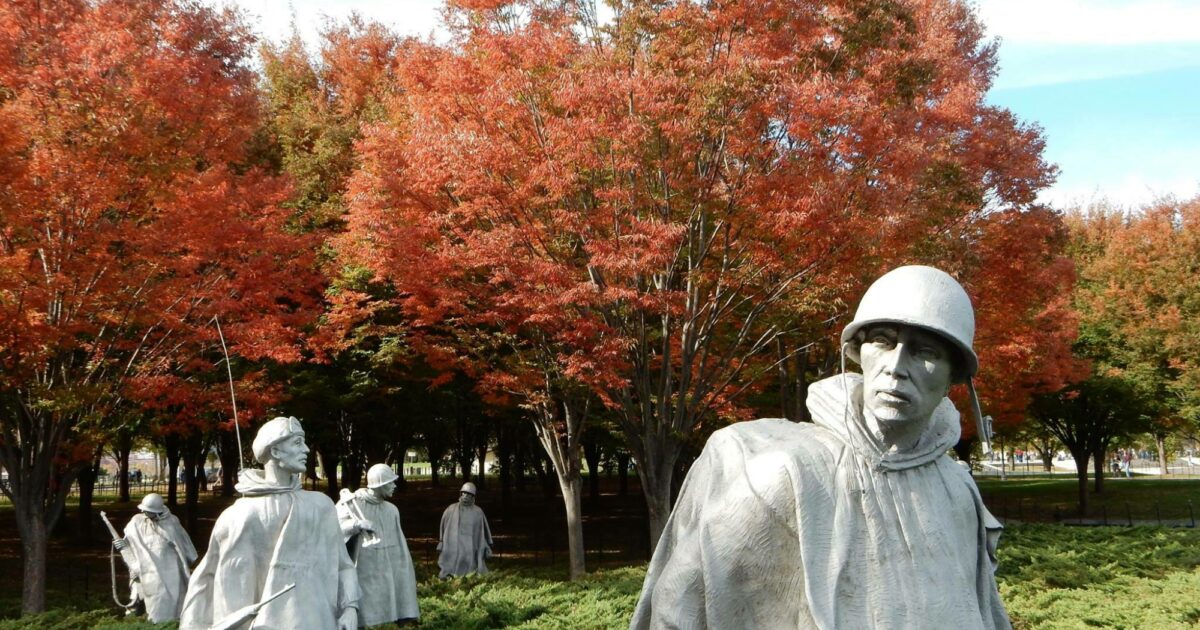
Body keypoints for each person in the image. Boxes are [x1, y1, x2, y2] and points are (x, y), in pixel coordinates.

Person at [631, 265, 1010, 629]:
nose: (896, 366)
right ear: (858, 352)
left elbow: (983, 611)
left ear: (954, 377)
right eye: (883, 341)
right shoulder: (787, 472)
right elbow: (679, 609)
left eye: (925, 352)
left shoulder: (958, 493)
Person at [180, 417, 360, 630]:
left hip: (320, 621)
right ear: (275, 451)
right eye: (297, 443)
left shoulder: (321, 506)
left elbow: (343, 565)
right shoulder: (240, 515)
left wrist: (350, 608)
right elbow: (221, 588)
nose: (306, 449)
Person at [337, 464, 420, 627]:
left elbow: (400, 547)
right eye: (391, 482)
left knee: (387, 609)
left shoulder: (392, 510)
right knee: (364, 612)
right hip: (363, 569)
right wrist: (356, 524)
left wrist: (402, 572)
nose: (395, 486)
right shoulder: (352, 503)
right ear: (379, 484)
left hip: (387, 569)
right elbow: (332, 529)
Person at [113, 493, 197, 622]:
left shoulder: (172, 521)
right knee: (142, 599)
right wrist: (123, 545)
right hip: (145, 569)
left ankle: (170, 623)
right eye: (144, 510)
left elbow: (183, 545)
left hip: (171, 570)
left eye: (149, 511)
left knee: (172, 600)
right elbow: (130, 542)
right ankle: (144, 623)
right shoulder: (136, 521)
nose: (144, 513)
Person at [437, 482, 493, 578]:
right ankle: (452, 577)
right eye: (463, 493)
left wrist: (487, 545)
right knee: (454, 557)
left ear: (473, 496)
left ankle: (469, 578)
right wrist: (441, 541)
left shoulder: (478, 512)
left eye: (468, 494)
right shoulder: (451, 509)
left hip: (472, 544)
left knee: (470, 560)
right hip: (454, 543)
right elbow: (443, 525)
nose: (465, 496)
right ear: (460, 493)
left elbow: (482, 532)